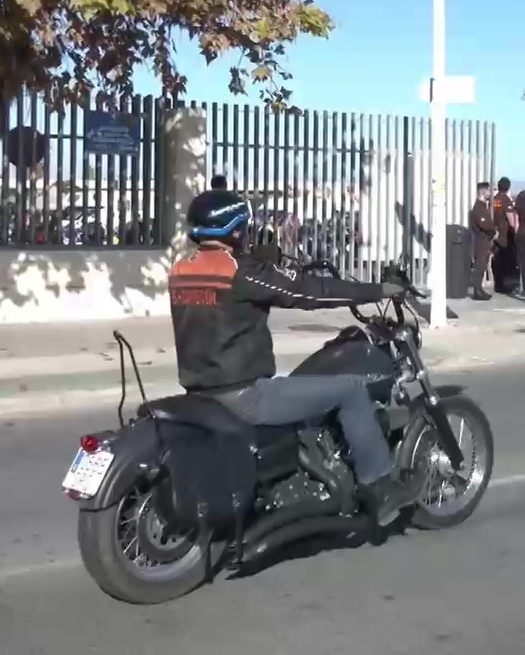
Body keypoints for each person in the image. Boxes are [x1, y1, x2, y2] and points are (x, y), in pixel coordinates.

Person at [169, 187, 421, 525]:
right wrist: (379, 290)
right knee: (350, 390)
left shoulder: (181, 270)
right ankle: (380, 486)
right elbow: (310, 291)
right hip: (244, 396)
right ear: (238, 230)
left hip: (200, 392)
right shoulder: (239, 271)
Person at [467, 181, 496, 301]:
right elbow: (484, 224)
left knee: (483, 266)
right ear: (483, 192)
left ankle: (479, 290)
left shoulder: (484, 206)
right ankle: (477, 291)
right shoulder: (479, 207)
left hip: (485, 240)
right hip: (480, 241)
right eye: (489, 190)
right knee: (480, 266)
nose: (490, 193)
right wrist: (493, 232)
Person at [491, 177, 517, 294]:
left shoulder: (494, 199)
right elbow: (511, 220)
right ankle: (503, 285)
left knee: (497, 261)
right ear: (508, 187)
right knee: (505, 261)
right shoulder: (506, 200)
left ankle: (498, 284)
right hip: (505, 235)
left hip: (495, 234)